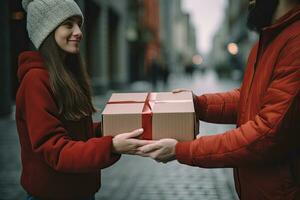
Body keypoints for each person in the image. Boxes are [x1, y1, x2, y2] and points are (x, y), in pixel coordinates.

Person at [139, 0, 300, 199]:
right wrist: (198, 104)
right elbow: (247, 98)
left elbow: (265, 134)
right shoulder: (268, 39)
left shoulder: (295, 41)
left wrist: (182, 149)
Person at [16, 0, 151, 199]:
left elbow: (78, 133)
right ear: (46, 31)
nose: (79, 32)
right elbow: (57, 150)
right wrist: (111, 146)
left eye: (79, 24)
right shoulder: (35, 81)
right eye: (68, 25)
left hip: (80, 192)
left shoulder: (66, 75)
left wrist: (113, 128)